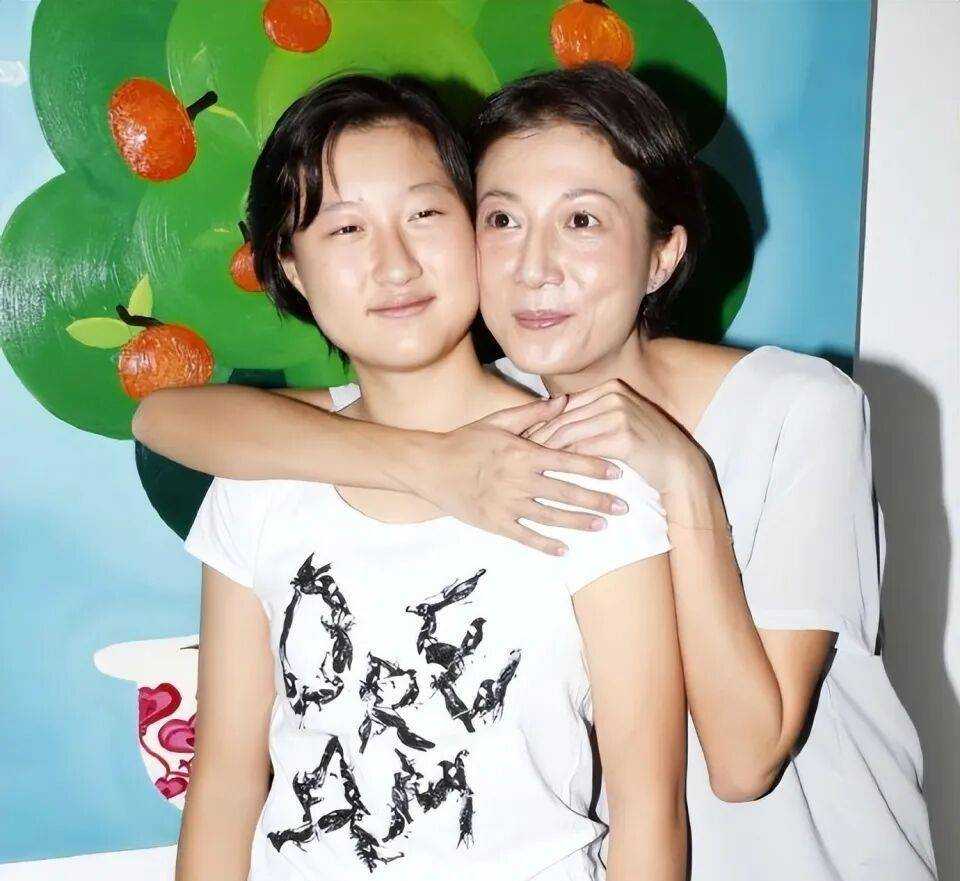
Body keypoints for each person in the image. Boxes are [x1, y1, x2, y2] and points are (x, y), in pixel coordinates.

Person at [140, 65, 937, 880]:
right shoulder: (499, 421)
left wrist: (683, 476)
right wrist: (433, 465)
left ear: (663, 254)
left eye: (582, 220)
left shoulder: (796, 408)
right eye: (502, 219)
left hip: (812, 856)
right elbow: (174, 420)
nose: (535, 267)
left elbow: (742, 761)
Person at [173, 73, 686, 881]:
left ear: (476, 226)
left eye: (423, 214)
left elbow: (650, 811)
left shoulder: (589, 475)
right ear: (293, 268)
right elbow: (227, 783)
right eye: (346, 228)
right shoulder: (260, 478)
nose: (395, 264)